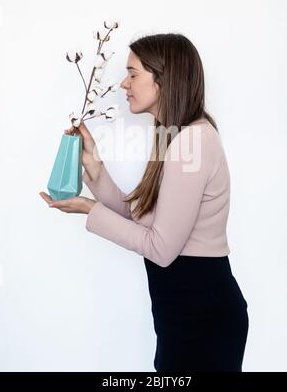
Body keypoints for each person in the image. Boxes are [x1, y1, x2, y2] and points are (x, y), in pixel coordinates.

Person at [40, 33, 249, 372]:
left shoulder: (191, 140)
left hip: (202, 318)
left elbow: (161, 248)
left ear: (163, 79)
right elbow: (144, 219)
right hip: (185, 312)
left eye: (133, 73)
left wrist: (90, 211)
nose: (124, 83)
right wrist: (94, 165)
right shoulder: (176, 135)